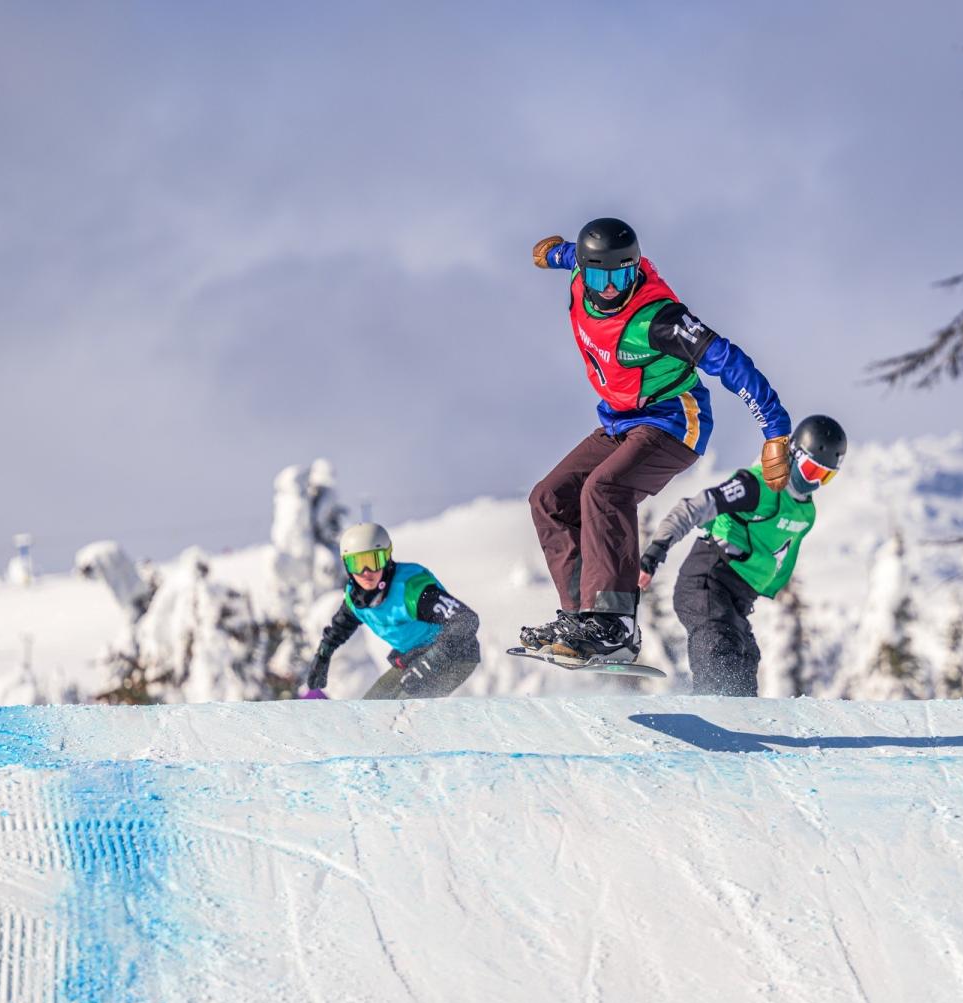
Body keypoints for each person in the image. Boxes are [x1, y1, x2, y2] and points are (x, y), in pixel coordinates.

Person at [523, 217, 793, 664]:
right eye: (599, 276)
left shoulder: (659, 319)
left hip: (674, 421)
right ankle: (582, 620)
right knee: (548, 497)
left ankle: (614, 625)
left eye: (622, 276)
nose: (610, 288)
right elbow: (570, 254)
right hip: (621, 420)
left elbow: (729, 361)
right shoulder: (579, 272)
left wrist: (775, 429)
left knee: (605, 489)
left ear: (636, 268)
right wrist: (552, 253)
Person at [638, 415, 847, 696]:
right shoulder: (756, 486)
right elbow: (695, 507)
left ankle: (736, 730)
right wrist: (656, 550)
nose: (815, 483)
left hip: (737, 597)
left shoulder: (805, 512)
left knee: (745, 665)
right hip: (708, 580)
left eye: (826, 476)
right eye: (811, 470)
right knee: (719, 656)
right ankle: (711, 725)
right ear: (794, 454)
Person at [302, 523, 480, 699]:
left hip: (455, 656)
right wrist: (324, 653)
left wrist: (430, 662)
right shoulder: (357, 598)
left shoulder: (411, 590)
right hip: (414, 658)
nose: (365, 572)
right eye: (356, 564)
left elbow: (466, 620)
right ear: (347, 566)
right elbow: (341, 626)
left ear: (387, 558)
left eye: (373, 561)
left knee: (399, 712)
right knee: (371, 708)